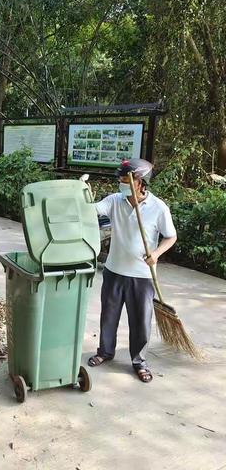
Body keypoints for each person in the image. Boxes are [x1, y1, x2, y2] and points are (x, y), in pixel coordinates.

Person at [88, 159, 177, 383]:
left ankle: (139, 361)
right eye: (120, 178)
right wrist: (84, 196)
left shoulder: (158, 207)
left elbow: (171, 236)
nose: (121, 182)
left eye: (126, 179)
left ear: (141, 183)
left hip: (142, 275)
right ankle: (105, 352)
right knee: (108, 316)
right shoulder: (115, 201)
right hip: (114, 270)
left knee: (140, 321)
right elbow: (93, 210)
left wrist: (156, 254)